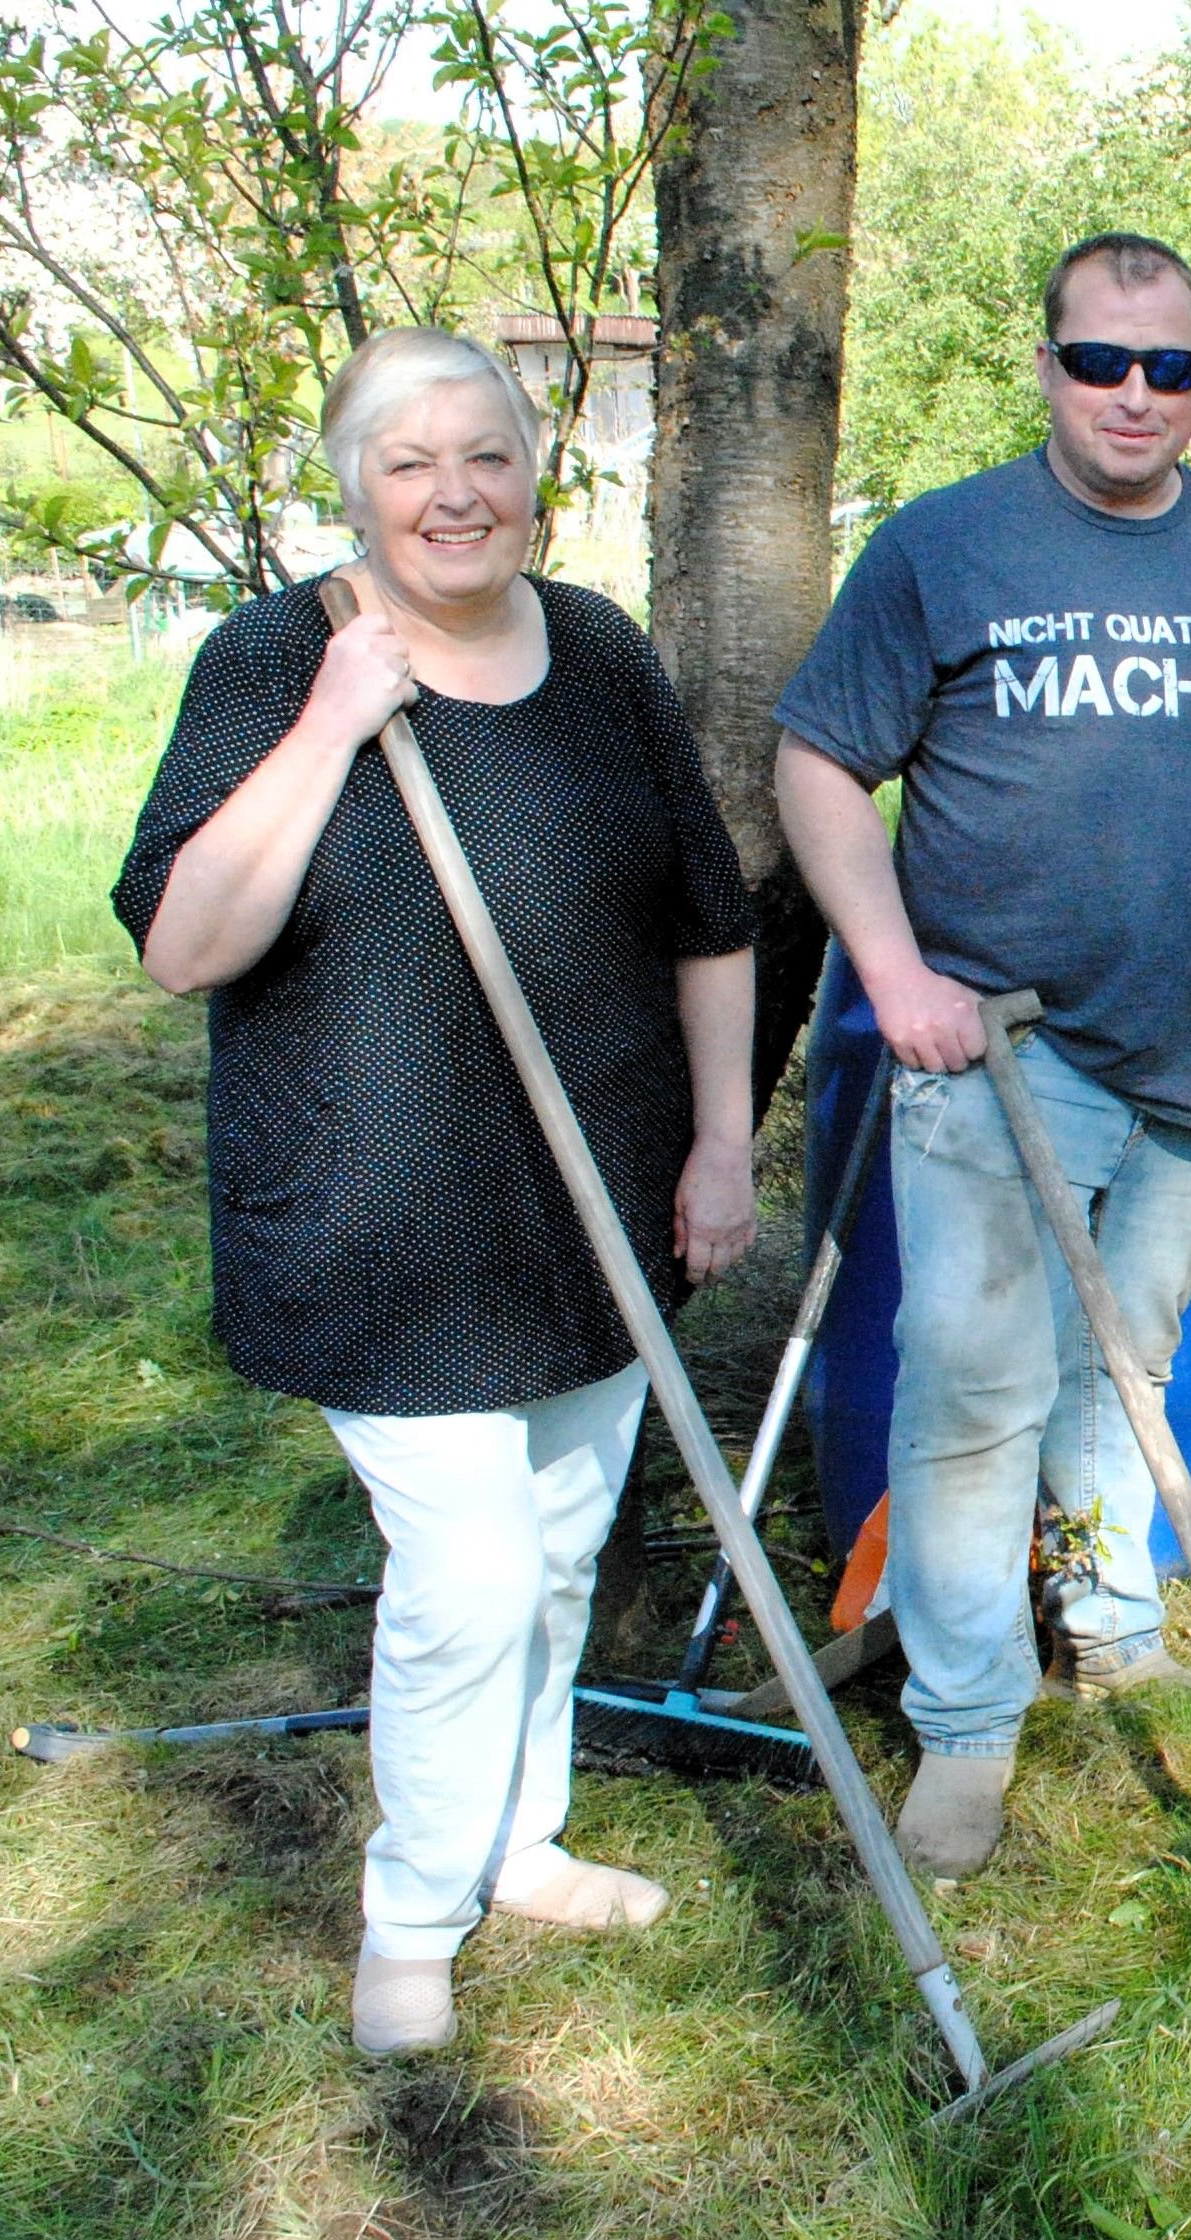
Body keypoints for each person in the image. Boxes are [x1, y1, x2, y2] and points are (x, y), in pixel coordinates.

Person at [110, 327, 760, 2054]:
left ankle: (516, 1840)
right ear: (352, 485)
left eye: (485, 453)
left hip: (591, 1200)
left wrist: (719, 1141)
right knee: (467, 1572)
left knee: (553, 1557)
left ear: (534, 469)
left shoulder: (605, 658)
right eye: (409, 461)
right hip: (375, 1219)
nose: (454, 490)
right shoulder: (272, 661)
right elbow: (186, 943)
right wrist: (334, 724)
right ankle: (412, 1911)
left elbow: (709, 916)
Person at [772, 232, 1191, 1882]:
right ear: (1044, 366)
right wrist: (890, 968)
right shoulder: (945, 546)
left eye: (1165, 366)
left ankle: (1108, 1621)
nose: (1132, 393)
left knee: (1123, 1374)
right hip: (997, 1048)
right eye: (1098, 361)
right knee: (973, 1390)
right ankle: (967, 1719)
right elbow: (818, 762)